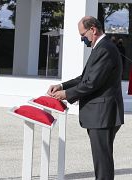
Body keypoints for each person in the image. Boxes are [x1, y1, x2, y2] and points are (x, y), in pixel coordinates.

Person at [47, 16, 124, 180]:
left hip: (102, 114)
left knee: (102, 161)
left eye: (83, 35)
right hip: (101, 113)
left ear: (93, 30)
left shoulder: (105, 49)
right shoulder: (101, 47)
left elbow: (91, 83)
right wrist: (62, 86)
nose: (82, 39)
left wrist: (66, 95)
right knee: (102, 159)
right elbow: (84, 78)